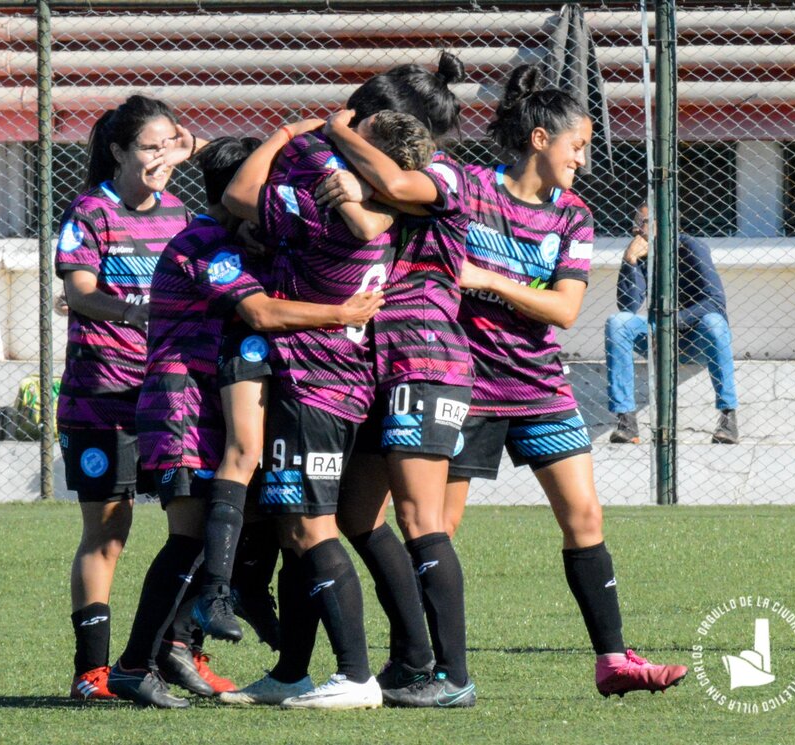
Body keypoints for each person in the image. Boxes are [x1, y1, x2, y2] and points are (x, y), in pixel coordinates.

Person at [435, 64, 689, 697]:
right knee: (437, 529)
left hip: (541, 386)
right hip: (464, 387)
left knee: (585, 517)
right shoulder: (469, 191)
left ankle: (613, 660)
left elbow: (566, 309)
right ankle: (434, 664)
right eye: (579, 145)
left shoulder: (573, 216)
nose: (586, 158)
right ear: (542, 139)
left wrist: (490, 281)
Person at [108, 133, 384, 708]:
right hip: (181, 404)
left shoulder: (230, 238)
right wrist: (341, 313)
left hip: (205, 403)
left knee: (234, 527)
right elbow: (258, 311)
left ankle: (200, 635)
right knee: (185, 539)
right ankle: (138, 662)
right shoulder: (209, 242)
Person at [218, 108, 441, 711]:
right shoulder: (398, 212)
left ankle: (355, 675)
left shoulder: (316, 208)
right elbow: (369, 224)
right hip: (348, 381)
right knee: (301, 532)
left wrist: (287, 132)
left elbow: (240, 194)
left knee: (310, 527)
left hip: (314, 383)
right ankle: (292, 672)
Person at [317, 108, 478, 707]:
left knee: (420, 519)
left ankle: (454, 676)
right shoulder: (387, 203)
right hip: (379, 366)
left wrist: (338, 135)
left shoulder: (447, 182)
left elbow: (393, 191)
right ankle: (413, 658)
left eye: (361, 149)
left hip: (426, 360)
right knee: (358, 515)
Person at [54, 94, 206, 702]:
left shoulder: (179, 212)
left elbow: (182, 145)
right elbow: (80, 293)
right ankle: (91, 673)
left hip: (171, 396)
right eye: (147, 146)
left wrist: (176, 145)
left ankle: (175, 653)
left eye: (169, 145)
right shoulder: (91, 210)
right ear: (116, 151)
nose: (161, 157)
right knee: (109, 532)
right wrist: (135, 310)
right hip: (105, 395)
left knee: (195, 525)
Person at [606, 204, 739, 444]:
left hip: (693, 338)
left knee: (714, 323)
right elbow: (628, 305)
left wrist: (670, 323)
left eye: (642, 222)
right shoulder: (642, 252)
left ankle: (728, 418)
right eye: (635, 222)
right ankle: (626, 421)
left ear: (662, 223)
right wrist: (630, 261)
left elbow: (715, 301)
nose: (635, 228)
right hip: (657, 335)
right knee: (618, 323)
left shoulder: (691, 247)